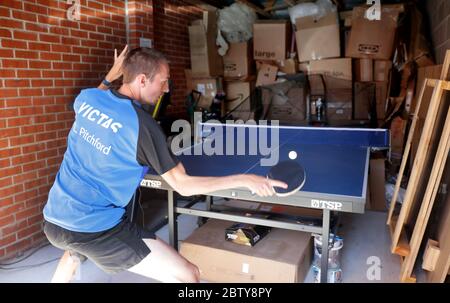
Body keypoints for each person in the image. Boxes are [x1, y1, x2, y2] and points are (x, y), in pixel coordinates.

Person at [43, 46, 287, 283]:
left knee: (74, 249)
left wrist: (110, 76)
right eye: (163, 81)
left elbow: (97, 94)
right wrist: (245, 179)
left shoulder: (88, 98)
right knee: (188, 275)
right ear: (141, 80)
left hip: (55, 218)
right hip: (95, 228)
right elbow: (183, 186)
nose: (167, 89)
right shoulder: (142, 126)